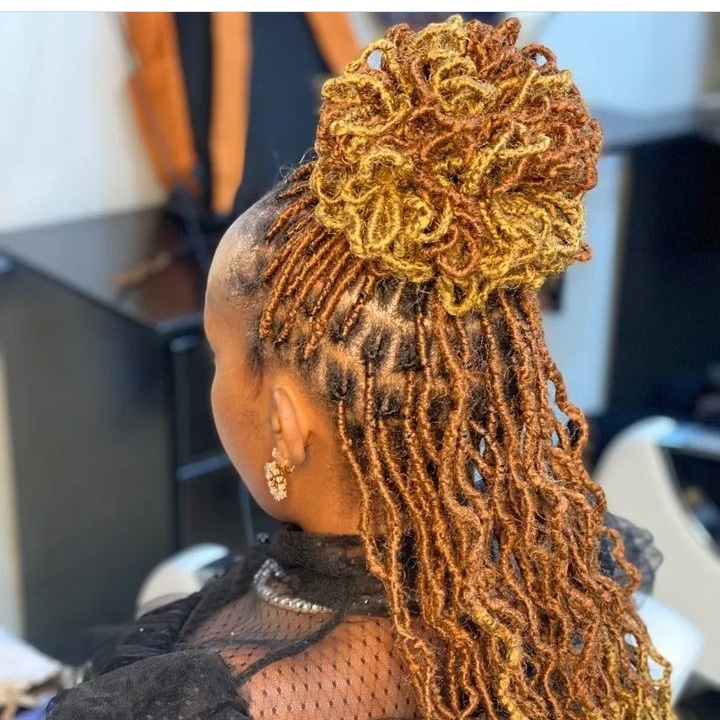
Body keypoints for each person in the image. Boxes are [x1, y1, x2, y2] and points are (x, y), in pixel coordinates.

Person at [47, 15, 673, 720]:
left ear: (286, 424)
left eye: (219, 356)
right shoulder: (560, 577)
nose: (212, 382)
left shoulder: (200, 701)